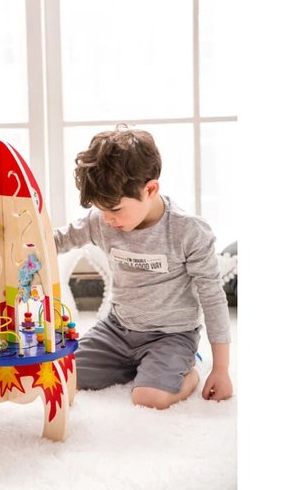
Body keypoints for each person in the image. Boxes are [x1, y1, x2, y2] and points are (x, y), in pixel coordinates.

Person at [54, 125, 233, 409]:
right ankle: (143, 369)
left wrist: (221, 369)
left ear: (150, 189)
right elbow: (57, 240)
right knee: (61, 377)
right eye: (101, 209)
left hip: (171, 336)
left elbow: (212, 298)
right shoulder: (101, 221)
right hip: (117, 330)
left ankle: (189, 371)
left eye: (115, 209)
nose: (107, 219)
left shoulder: (188, 231)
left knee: (148, 398)